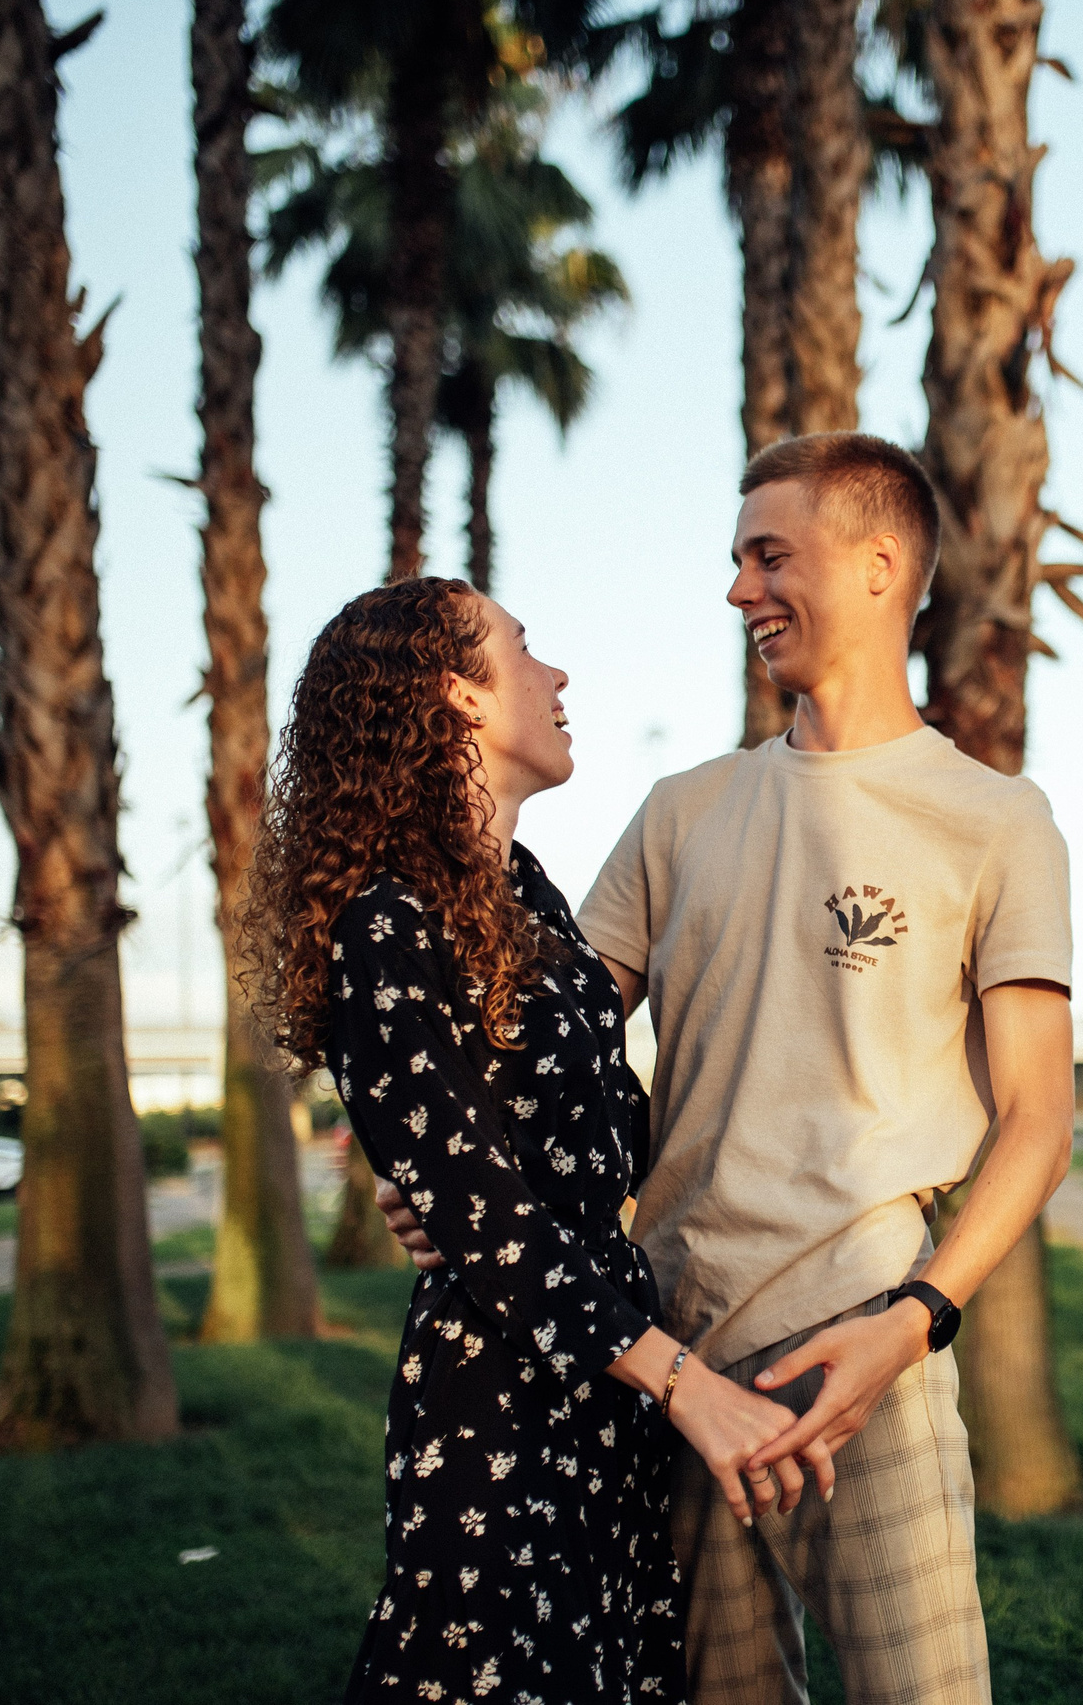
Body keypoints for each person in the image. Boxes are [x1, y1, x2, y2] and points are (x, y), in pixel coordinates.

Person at [382, 432, 1076, 1705]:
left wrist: (916, 1320)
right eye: (736, 558)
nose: (739, 589)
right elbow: (550, 1045)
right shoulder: (681, 809)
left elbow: (1039, 1118)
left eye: (769, 554)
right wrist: (448, 1157)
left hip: (860, 1351)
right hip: (667, 1359)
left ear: (877, 566)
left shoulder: (994, 820)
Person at [244, 577, 813, 1705]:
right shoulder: (382, 921)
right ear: (457, 695)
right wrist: (686, 1384)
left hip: (603, 1387)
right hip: (498, 1395)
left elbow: (596, 1140)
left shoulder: (525, 896)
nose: (556, 677)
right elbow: (484, 1213)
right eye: (524, 650)